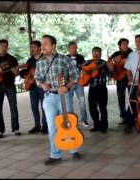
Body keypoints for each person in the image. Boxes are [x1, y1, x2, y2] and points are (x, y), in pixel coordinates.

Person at [34, 35, 82, 165]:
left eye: (45, 44)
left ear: (53, 45)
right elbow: (37, 78)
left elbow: (76, 75)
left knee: (69, 123)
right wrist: (42, 84)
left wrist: (67, 87)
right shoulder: (40, 62)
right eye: (41, 44)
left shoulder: (64, 59)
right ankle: (55, 154)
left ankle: (73, 149)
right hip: (49, 97)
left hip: (64, 97)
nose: (42, 46)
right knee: (51, 127)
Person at [20, 41, 48, 134]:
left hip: (42, 86)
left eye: (34, 47)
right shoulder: (30, 60)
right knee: (34, 106)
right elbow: (25, 72)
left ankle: (45, 126)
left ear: (39, 48)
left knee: (44, 106)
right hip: (32, 87)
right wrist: (25, 75)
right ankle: (37, 125)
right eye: (31, 47)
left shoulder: (44, 58)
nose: (32, 49)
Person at [86, 47, 113, 134]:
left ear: (100, 54)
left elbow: (110, 76)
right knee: (92, 108)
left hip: (102, 88)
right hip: (92, 88)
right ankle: (96, 124)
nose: (95, 55)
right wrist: (83, 71)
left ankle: (104, 126)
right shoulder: (88, 62)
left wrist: (111, 69)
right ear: (92, 54)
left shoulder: (104, 63)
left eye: (97, 53)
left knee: (102, 108)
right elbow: (80, 66)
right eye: (94, 53)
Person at [109, 38, 133, 126]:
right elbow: (109, 63)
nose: (125, 45)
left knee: (132, 98)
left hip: (131, 79)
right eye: (123, 44)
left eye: (126, 44)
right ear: (119, 46)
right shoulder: (116, 54)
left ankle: (133, 116)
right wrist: (114, 62)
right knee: (121, 99)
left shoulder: (132, 53)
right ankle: (123, 117)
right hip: (120, 79)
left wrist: (126, 61)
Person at [66, 41, 89, 127]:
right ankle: (71, 120)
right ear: (68, 49)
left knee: (82, 101)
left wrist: (83, 67)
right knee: (69, 102)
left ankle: (84, 120)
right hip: (69, 83)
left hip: (79, 82)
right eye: (72, 47)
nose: (74, 49)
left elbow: (84, 67)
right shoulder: (65, 58)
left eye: (75, 47)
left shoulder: (80, 57)